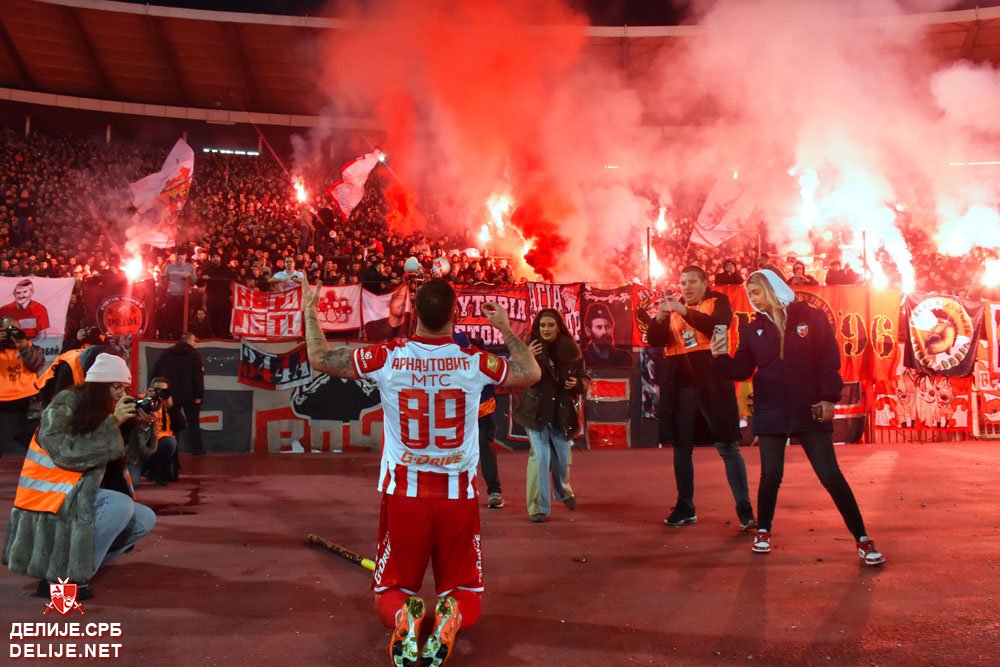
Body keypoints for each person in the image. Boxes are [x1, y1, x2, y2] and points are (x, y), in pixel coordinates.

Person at [302, 275, 540, 667]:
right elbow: (530, 371)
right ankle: (452, 613)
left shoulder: (388, 356)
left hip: (404, 497)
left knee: (391, 590)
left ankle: (403, 615)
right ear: (455, 314)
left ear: (414, 313)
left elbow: (320, 358)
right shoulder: (474, 360)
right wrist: (503, 327)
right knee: (466, 592)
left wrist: (310, 311)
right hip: (457, 498)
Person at [710, 269, 886, 565]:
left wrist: (828, 398)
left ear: (773, 288)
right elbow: (742, 369)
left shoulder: (811, 317)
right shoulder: (752, 328)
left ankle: (862, 538)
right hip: (771, 408)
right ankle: (763, 531)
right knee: (771, 475)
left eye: (757, 292)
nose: (753, 299)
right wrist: (718, 358)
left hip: (809, 406)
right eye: (750, 294)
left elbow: (828, 361)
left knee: (830, 475)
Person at [2, 353, 158, 599]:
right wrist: (113, 423)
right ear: (98, 386)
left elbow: (132, 456)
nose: (121, 393)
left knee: (144, 519)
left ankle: (73, 570)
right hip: (52, 502)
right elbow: (67, 453)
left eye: (125, 388)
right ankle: (60, 577)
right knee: (120, 505)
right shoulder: (64, 406)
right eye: (116, 386)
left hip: (82, 496)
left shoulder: (106, 410)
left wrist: (144, 425)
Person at [646, 266, 755, 530]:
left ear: (705, 283)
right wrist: (659, 319)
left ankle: (744, 508)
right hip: (680, 382)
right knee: (681, 447)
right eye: (683, 282)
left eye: (692, 282)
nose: (686, 287)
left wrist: (683, 311)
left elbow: (717, 326)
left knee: (728, 445)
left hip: (712, 378)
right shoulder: (672, 307)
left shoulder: (719, 301)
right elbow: (654, 340)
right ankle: (685, 506)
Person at [514, 308, 589, 523]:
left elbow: (584, 377)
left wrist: (578, 383)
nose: (546, 329)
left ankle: (563, 490)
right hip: (535, 412)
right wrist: (528, 357)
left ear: (559, 327)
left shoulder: (572, 349)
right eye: (542, 325)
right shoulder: (529, 347)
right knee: (540, 457)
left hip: (561, 413)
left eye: (550, 325)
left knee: (562, 461)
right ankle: (538, 507)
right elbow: (516, 375)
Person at [453, 331, 505, 509]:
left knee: (484, 448)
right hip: (456, 418)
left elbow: (504, 375)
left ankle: (495, 492)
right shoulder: (444, 361)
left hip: (482, 414)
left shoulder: (483, 359)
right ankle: (456, 492)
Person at [150, 332, 205, 455]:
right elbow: (198, 377)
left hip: (170, 394)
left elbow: (155, 371)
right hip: (190, 395)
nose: (195, 343)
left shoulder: (167, 353)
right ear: (190, 340)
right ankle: (197, 450)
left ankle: (172, 449)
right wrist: (199, 395)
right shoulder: (194, 354)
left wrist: (158, 390)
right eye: (194, 341)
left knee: (172, 423)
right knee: (193, 422)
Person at [0, 316, 46, 456]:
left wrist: (23, 347)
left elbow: (36, 365)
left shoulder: (31, 347)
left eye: (15, 329)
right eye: (8, 330)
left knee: (38, 448)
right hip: (3, 410)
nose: (12, 333)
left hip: (29, 408)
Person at [128, 377, 182, 486]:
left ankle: (154, 472)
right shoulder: (140, 400)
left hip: (158, 447)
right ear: (150, 389)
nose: (159, 393)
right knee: (133, 484)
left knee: (170, 442)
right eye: (156, 390)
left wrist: (172, 408)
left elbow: (181, 425)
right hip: (138, 450)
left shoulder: (167, 404)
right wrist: (146, 401)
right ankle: (141, 469)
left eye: (163, 391)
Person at [581, 303, 633, 368]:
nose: (604, 331)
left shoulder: (624, 357)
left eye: (607, 327)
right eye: (599, 327)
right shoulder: (582, 357)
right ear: (588, 331)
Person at [161, 248, 196, 340]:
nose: (179, 261)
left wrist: (190, 277)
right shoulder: (169, 266)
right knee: (170, 317)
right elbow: (164, 282)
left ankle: (183, 336)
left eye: (181, 258)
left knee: (183, 319)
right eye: (178, 258)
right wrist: (162, 278)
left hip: (185, 297)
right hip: (171, 295)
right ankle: (169, 336)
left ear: (185, 257)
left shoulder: (190, 267)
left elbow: (194, 282)